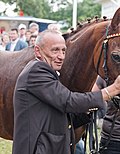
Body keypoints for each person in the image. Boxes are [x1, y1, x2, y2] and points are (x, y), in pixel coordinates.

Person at [12, 30, 120, 154]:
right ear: (38, 51)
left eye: (63, 51)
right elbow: (68, 101)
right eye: (55, 50)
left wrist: (86, 110)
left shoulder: (47, 72)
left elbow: (63, 115)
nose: (61, 56)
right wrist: (112, 90)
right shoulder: (36, 71)